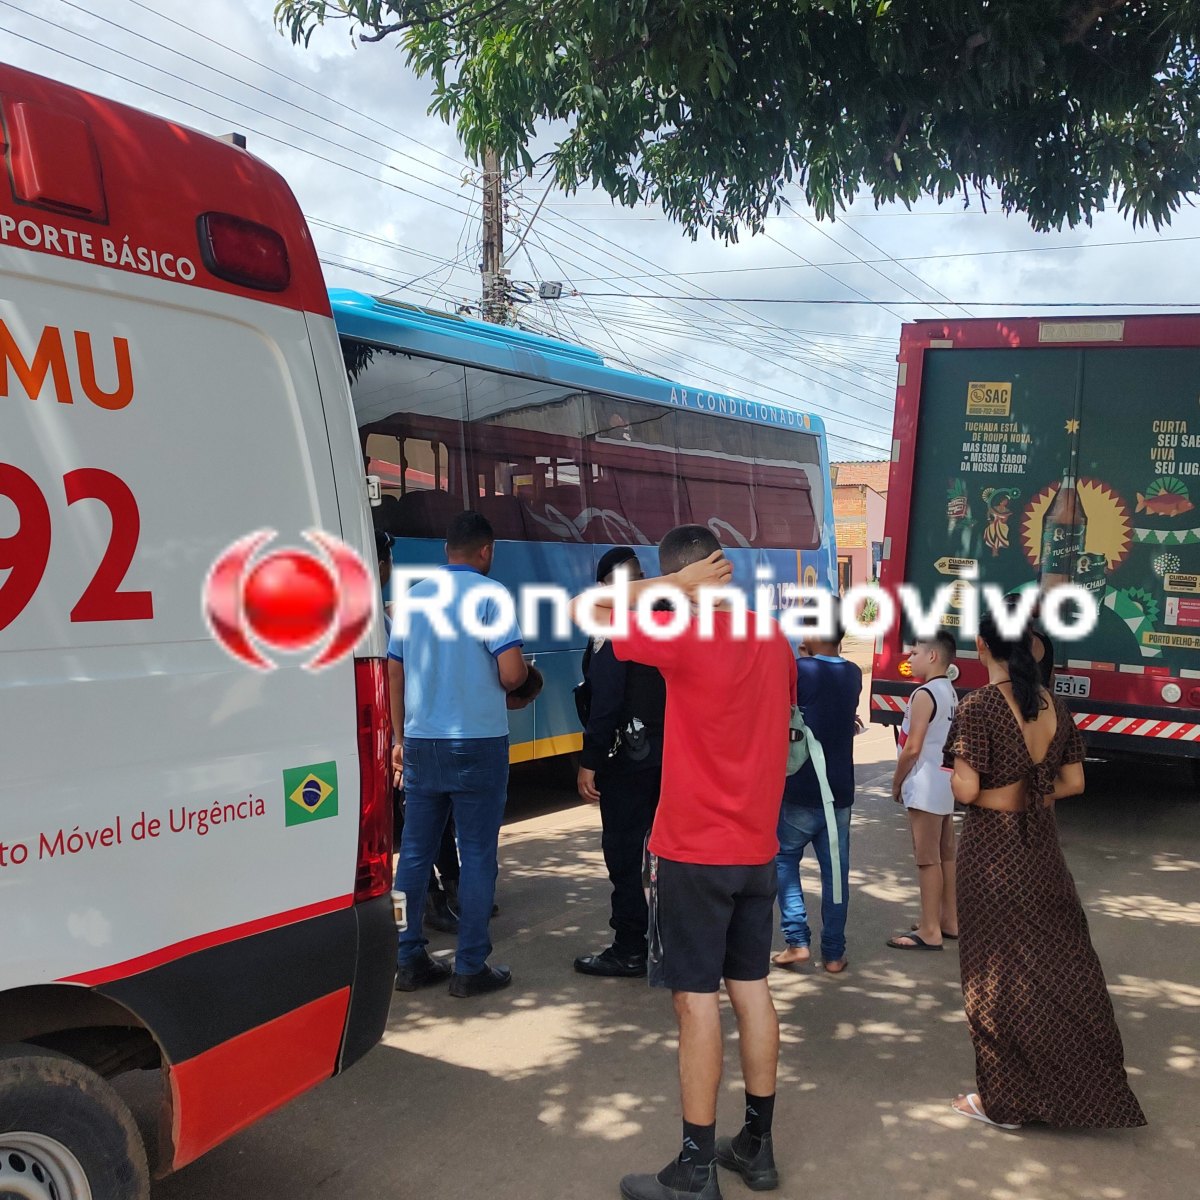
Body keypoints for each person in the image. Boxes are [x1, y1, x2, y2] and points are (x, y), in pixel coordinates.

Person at [571, 526, 796, 1200]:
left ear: (684, 576)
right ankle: (756, 1145)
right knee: (750, 989)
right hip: (757, 849)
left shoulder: (687, 633)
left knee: (695, 1003)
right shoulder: (772, 636)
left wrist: (671, 591)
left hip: (695, 851)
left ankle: (696, 1170)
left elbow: (592, 613)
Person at [942, 610, 1145, 1129]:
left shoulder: (980, 705)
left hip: (991, 858)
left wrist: (1006, 796)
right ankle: (1083, 1093)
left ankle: (1004, 1101)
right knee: (1061, 971)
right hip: (1043, 856)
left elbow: (965, 790)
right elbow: (1073, 783)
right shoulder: (1056, 705)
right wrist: (1032, 795)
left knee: (994, 979)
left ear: (983, 646)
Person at [389, 511, 537, 998]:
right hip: (477, 744)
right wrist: (525, 675)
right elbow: (512, 675)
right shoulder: (491, 596)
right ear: (486, 551)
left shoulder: (413, 599)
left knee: (414, 854)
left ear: (446, 549)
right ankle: (470, 966)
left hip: (421, 743)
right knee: (476, 856)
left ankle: (407, 956)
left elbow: (394, 671)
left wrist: (397, 737)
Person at [574, 547, 666, 978]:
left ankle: (630, 946)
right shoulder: (667, 621)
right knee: (668, 851)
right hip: (670, 757)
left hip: (628, 761)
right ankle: (673, 940)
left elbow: (606, 700)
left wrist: (589, 760)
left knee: (624, 854)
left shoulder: (612, 627)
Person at [772, 621, 862, 975]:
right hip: (840, 790)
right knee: (835, 873)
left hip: (800, 788)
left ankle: (797, 942)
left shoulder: (801, 669)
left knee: (785, 859)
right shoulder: (853, 673)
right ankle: (835, 954)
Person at [888, 631, 959, 951]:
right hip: (944, 783)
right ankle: (948, 919)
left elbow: (912, 746)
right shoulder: (950, 691)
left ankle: (930, 929)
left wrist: (897, 781)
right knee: (945, 856)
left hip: (924, 784)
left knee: (926, 859)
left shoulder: (924, 694)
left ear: (933, 656)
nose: (909, 657)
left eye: (915, 652)